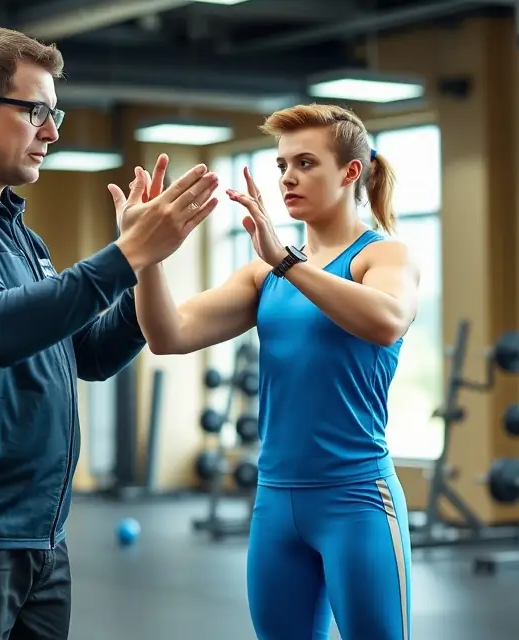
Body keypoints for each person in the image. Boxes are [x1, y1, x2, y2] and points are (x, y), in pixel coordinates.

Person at [0, 26, 219, 640]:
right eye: (37, 112)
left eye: (56, 113)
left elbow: (91, 353)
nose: (52, 132)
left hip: (38, 537)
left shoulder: (20, 237)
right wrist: (125, 254)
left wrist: (147, 263)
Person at [133, 103, 420, 640]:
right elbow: (167, 334)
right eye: (282, 164)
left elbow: (386, 320)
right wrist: (145, 256)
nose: (288, 176)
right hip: (275, 502)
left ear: (350, 172)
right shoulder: (265, 274)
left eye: (306, 163)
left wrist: (288, 260)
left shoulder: (382, 256)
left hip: (356, 500)